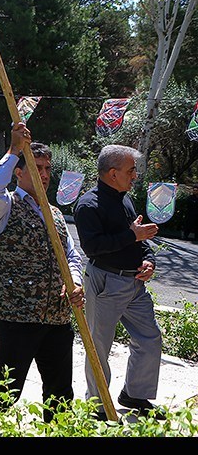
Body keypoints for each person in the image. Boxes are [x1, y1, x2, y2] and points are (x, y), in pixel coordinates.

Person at [0, 122, 84, 423]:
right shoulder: (4, 206)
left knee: (60, 391)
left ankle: (59, 432)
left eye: (48, 168)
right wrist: (13, 150)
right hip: (18, 315)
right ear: (19, 172)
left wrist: (75, 283)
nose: (44, 174)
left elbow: (71, 256)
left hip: (57, 315)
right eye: (37, 167)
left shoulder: (55, 214)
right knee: (9, 390)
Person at [74, 144, 164, 419]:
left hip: (134, 283)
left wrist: (148, 259)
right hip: (106, 284)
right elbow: (93, 247)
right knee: (99, 347)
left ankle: (135, 395)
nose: (135, 175)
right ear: (112, 173)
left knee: (150, 339)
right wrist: (132, 237)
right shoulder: (88, 205)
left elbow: (139, 235)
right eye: (131, 170)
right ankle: (96, 405)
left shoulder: (125, 198)